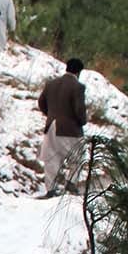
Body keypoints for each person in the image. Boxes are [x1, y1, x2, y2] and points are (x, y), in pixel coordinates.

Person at [36, 58, 90, 197]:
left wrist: (50, 114)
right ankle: (71, 184)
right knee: (76, 157)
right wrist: (82, 121)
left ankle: (50, 189)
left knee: (51, 158)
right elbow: (79, 110)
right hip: (70, 128)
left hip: (51, 126)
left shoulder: (51, 83)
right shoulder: (78, 87)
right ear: (78, 72)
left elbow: (41, 102)